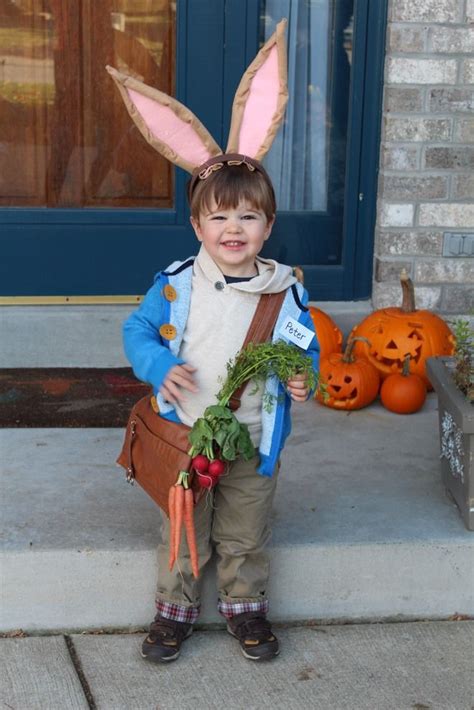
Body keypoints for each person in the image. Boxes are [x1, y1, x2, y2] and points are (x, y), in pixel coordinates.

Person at [109, 18, 319, 663]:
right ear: (198, 223)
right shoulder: (176, 285)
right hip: (186, 432)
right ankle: (174, 610)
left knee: (245, 530)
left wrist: (301, 375)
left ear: (267, 224)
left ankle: (244, 605)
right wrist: (158, 363)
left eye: (248, 216)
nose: (234, 227)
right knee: (182, 526)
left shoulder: (286, 290)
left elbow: (302, 345)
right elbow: (137, 329)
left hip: (254, 438)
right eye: (219, 216)